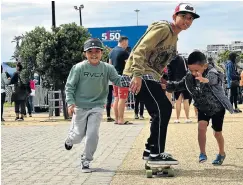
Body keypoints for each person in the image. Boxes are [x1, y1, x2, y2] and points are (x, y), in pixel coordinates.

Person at [122, 3, 200, 164]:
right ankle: (155, 153)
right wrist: (136, 74)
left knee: (161, 109)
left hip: (151, 75)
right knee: (163, 108)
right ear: (174, 17)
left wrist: (162, 81)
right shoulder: (164, 29)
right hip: (140, 72)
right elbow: (140, 49)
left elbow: (160, 63)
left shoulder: (174, 38)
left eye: (190, 18)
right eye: (184, 16)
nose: (187, 20)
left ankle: (151, 149)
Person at [64, 38, 122, 173]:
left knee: (92, 135)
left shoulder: (107, 68)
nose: (94, 54)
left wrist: (131, 80)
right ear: (85, 54)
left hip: (97, 106)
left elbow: (118, 80)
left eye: (97, 51)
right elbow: (70, 86)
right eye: (90, 51)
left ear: (102, 53)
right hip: (80, 106)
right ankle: (70, 139)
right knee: (78, 136)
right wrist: (70, 103)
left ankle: (86, 160)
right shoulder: (79, 68)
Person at [167, 51, 234, 165]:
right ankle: (202, 153)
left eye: (196, 70)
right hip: (203, 107)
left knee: (217, 133)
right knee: (201, 127)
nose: (193, 73)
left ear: (205, 66)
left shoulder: (213, 72)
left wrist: (205, 80)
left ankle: (221, 153)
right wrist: (166, 86)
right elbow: (179, 85)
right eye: (191, 70)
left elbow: (214, 79)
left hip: (217, 108)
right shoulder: (189, 77)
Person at [109, 36, 132, 125]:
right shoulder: (124, 52)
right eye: (127, 43)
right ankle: (121, 119)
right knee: (123, 98)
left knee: (116, 98)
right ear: (124, 42)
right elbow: (128, 65)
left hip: (114, 77)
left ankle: (116, 119)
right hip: (123, 77)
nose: (127, 45)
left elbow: (110, 65)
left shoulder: (111, 52)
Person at [167, 55, 192, 123]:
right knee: (186, 100)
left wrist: (170, 82)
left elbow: (169, 73)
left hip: (176, 82)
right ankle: (187, 118)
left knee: (178, 101)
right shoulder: (183, 59)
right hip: (185, 81)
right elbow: (188, 69)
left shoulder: (170, 61)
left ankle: (177, 118)